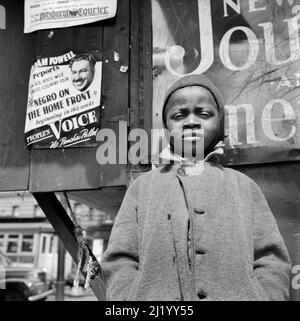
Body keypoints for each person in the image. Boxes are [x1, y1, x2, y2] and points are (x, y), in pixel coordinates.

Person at [101, 74, 291, 301]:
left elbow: (271, 258)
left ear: (219, 121)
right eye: (179, 115)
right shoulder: (143, 188)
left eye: (204, 113)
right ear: (166, 126)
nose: (191, 121)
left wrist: (265, 296)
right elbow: (120, 259)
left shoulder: (243, 186)